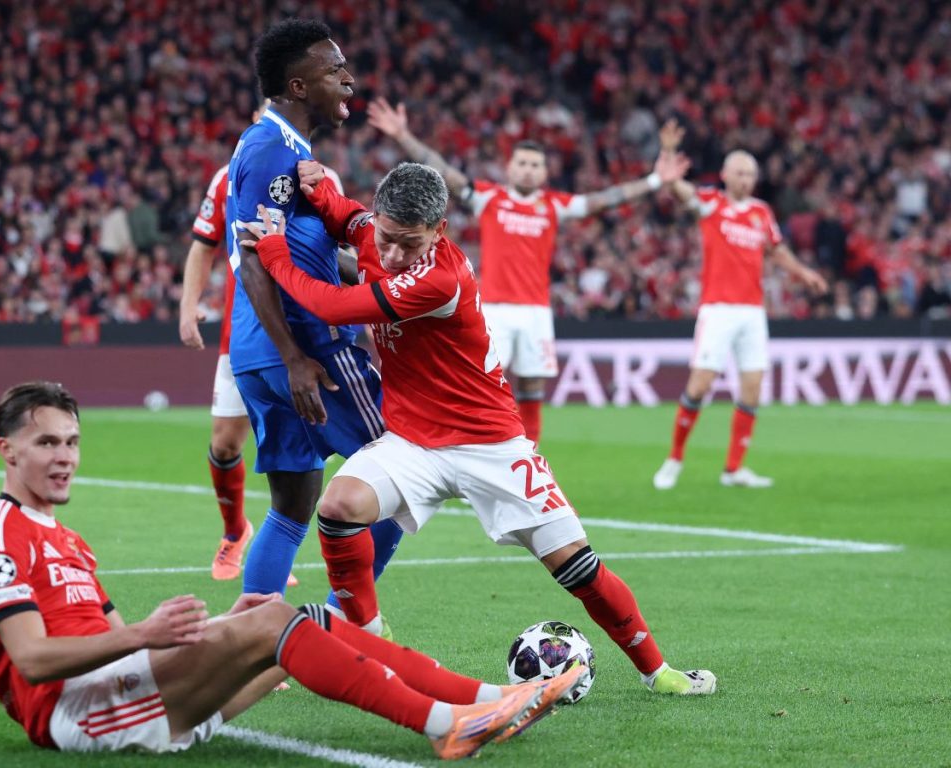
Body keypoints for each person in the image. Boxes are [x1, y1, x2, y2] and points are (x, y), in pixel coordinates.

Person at [240, 160, 716, 696]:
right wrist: (321, 192)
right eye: (387, 238)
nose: (393, 254)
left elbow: (335, 303)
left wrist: (275, 251)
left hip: (490, 442)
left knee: (577, 567)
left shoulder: (440, 277)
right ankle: (369, 633)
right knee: (338, 508)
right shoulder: (377, 233)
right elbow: (350, 219)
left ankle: (661, 673)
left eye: (409, 244)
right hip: (413, 442)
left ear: (439, 231)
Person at [0, 381, 585, 758]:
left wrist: (207, 635)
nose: (65, 457)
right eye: (47, 444)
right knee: (276, 625)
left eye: (70, 442)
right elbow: (33, 661)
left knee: (294, 618)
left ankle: (488, 699)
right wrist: (148, 635)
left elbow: (117, 641)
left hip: (126, 691)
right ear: (6, 450)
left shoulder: (68, 540)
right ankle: (446, 726)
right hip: (73, 715)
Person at [368, 99, 690, 447]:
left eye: (535, 165)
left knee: (533, 387)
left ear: (544, 172)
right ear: (510, 167)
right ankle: (470, 451)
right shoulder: (489, 198)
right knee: (482, 386)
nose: (527, 169)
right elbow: (444, 171)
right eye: (522, 163)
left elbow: (606, 199)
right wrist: (403, 136)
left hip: (536, 313)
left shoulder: (553, 205)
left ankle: (530, 459)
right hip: (495, 312)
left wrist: (657, 179)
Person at [225, 20, 403, 604]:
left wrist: (388, 284)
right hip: (308, 351)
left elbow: (300, 252)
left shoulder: (281, 148)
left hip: (260, 355)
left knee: (291, 508)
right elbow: (254, 259)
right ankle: (339, 621)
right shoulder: (272, 149)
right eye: (335, 69)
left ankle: (254, 643)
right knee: (405, 475)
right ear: (298, 87)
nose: (349, 79)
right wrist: (295, 357)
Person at [179, 100, 346, 583]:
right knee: (226, 443)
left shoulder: (321, 176)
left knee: (315, 463)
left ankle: (282, 560)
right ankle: (236, 533)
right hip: (246, 338)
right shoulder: (230, 174)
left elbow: (335, 249)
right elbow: (202, 245)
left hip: (303, 337)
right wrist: (189, 306)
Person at [651, 126, 828, 491]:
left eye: (751, 174)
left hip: (752, 312)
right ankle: (675, 458)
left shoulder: (762, 212)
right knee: (699, 385)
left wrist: (803, 273)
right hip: (718, 309)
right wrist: (668, 158)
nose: (746, 179)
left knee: (752, 389)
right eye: (740, 173)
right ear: (726, 175)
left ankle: (734, 469)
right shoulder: (712, 204)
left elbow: (777, 250)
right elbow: (680, 189)